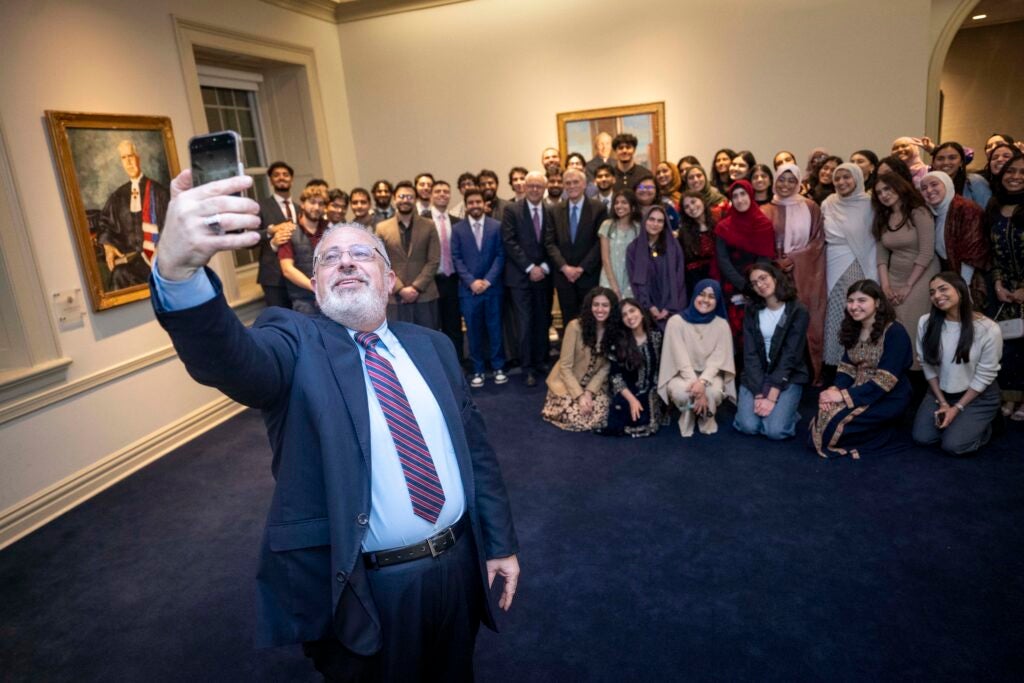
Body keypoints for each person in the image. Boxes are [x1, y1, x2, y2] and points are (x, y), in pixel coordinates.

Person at [149, 171, 519, 681]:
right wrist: (178, 271)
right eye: (328, 258)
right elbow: (228, 360)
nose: (344, 261)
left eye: (362, 253)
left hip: (458, 566)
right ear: (317, 283)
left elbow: (476, 454)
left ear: (390, 280)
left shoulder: (432, 347)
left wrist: (499, 543)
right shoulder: (293, 342)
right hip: (367, 590)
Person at [809, 279, 913, 459]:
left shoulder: (895, 332)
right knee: (823, 418)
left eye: (861, 300)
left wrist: (842, 396)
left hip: (888, 396)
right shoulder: (854, 328)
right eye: (850, 301)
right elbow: (847, 369)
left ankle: (886, 429)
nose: (854, 306)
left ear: (878, 302)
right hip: (858, 390)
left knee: (829, 430)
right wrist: (835, 389)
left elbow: (885, 380)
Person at [913, 272, 1003, 455]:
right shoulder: (925, 322)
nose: (937, 296)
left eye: (943, 289)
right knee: (923, 438)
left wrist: (958, 408)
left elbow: (985, 375)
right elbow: (927, 365)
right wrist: (943, 402)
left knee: (953, 445)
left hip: (978, 396)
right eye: (932, 292)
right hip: (941, 392)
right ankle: (963, 423)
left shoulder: (988, 329)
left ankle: (988, 424)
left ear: (961, 291)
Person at [762, 163, 827, 382]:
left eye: (791, 180)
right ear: (775, 181)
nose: (786, 185)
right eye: (782, 179)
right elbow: (760, 245)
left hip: (803, 274)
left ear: (798, 183)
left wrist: (793, 259)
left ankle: (804, 375)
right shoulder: (765, 210)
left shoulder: (810, 207)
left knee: (803, 323)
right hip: (774, 275)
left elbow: (818, 242)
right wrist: (776, 264)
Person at [733, 263, 810, 440]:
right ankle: (775, 410)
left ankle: (787, 412)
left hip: (787, 375)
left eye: (763, 278)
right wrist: (760, 394)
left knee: (775, 431)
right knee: (748, 426)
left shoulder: (798, 311)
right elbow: (750, 354)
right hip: (757, 375)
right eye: (754, 283)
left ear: (775, 278)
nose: (760, 285)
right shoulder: (752, 310)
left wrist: (772, 396)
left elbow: (791, 356)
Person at [872, 171, 939, 370]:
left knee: (911, 324)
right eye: (879, 192)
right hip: (894, 276)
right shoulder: (883, 217)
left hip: (921, 275)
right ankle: (893, 373)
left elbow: (926, 252)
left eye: (887, 189)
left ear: (899, 187)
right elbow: (882, 256)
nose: (884, 195)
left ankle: (916, 374)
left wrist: (908, 286)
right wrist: (885, 285)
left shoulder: (919, 212)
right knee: (891, 325)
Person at [657, 280, 736, 437]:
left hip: (710, 376)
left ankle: (706, 420)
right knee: (683, 394)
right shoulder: (676, 322)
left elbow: (718, 358)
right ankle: (688, 417)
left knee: (713, 393)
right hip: (682, 374)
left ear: (717, 300)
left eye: (711, 297)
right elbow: (680, 358)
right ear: (694, 296)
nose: (706, 300)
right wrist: (698, 389)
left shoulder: (721, 325)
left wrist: (702, 382)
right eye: (702, 294)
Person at [821, 163, 877, 367]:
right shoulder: (828, 203)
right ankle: (832, 363)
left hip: (858, 264)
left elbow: (873, 239)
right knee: (834, 315)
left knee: (856, 312)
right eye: (837, 178)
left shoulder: (870, 203)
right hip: (832, 263)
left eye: (847, 177)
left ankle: (857, 363)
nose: (841, 182)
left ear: (857, 178)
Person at [502, 170, 554, 387]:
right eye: (530, 185)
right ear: (524, 187)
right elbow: (509, 241)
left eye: (538, 186)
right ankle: (527, 367)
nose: (534, 190)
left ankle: (541, 361)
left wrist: (543, 266)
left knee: (543, 320)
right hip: (520, 278)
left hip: (544, 276)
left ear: (544, 189)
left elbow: (553, 240)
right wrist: (530, 267)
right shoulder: (512, 210)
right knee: (525, 324)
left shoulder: (551, 211)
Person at [451, 189, 507, 387]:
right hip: (469, 291)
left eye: (478, 202)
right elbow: (456, 258)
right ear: (466, 206)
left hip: (492, 289)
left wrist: (488, 281)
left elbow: (501, 255)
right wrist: (471, 282)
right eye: (471, 202)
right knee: (473, 332)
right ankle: (478, 370)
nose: (475, 205)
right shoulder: (458, 229)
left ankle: (498, 366)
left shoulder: (496, 226)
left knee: (494, 329)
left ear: (484, 204)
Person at [541, 287, 617, 431]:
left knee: (602, 417)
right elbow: (565, 367)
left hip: (593, 386)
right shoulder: (575, 326)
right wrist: (579, 395)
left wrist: (589, 392)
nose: (600, 309)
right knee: (578, 417)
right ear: (590, 306)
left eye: (605, 305)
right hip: (567, 383)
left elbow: (605, 367)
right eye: (596, 305)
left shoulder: (613, 330)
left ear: (612, 308)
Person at [714, 180, 776, 345]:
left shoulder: (764, 225)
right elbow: (723, 260)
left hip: (759, 286)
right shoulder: (723, 227)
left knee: (759, 331)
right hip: (732, 286)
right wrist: (743, 285)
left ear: (751, 195)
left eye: (743, 194)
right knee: (734, 333)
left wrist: (754, 285)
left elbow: (765, 259)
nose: (740, 199)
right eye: (735, 196)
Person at [987, 149, 1024, 420]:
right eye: (1011, 171)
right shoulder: (994, 205)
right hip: (1006, 287)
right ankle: (1010, 398)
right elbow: (993, 251)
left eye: (1022, 172)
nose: (1015, 176)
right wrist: (998, 282)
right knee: (1009, 344)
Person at [545, 168, 607, 326]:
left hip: (588, 275)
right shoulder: (555, 210)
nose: (571, 186)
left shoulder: (598, 208)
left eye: (576, 182)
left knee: (590, 320)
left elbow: (599, 242)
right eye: (568, 183)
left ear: (585, 184)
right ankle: (570, 351)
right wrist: (564, 267)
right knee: (569, 322)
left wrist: (581, 268)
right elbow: (550, 243)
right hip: (564, 277)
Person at [375, 181, 441, 327]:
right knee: (399, 342)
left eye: (410, 197)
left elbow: (434, 260)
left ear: (415, 200)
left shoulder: (429, 225)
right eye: (402, 196)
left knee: (428, 339)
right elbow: (380, 261)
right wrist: (400, 289)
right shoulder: (381, 228)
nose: (405, 200)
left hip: (425, 295)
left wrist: (416, 288)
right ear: (394, 198)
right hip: (395, 297)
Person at [919, 171, 989, 306]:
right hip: (948, 279)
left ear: (947, 185)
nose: (929, 190)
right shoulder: (929, 212)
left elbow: (972, 252)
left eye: (934, 185)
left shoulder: (966, 208)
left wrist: (964, 285)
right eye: (924, 188)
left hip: (970, 280)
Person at [598, 298, 664, 437]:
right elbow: (615, 376)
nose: (629, 317)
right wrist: (631, 399)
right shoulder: (619, 341)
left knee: (643, 420)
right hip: (627, 390)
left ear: (641, 311)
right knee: (617, 418)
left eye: (632, 311)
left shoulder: (657, 336)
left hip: (653, 389)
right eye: (624, 315)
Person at [626, 204, 686, 330]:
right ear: (645, 221)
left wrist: (669, 307)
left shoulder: (673, 245)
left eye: (660, 221)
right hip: (645, 307)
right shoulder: (633, 248)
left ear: (665, 224)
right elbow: (635, 281)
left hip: (672, 305)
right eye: (651, 219)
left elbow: (679, 277)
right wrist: (649, 306)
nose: (655, 224)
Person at [425, 180, 464, 361]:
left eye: (446, 192)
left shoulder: (457, 222)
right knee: (433, 326)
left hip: (453, 279)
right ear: (431, 195)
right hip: (430, 281)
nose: (442, 194)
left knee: (454, 325)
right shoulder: (422, 220)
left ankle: (457, 363)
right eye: (438, 191)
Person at [254, 161, 298, 308]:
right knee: (280, 321)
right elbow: (249, 240)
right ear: (271, 180)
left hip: (298, 274)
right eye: (276, 175)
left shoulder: (301, 208)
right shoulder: (260, 207)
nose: (281, 178)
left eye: (285, 175)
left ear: (291, 179)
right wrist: (270, 233)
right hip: (273, 278)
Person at [278, 186, 328, 315]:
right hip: (304, 302)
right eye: (312, 202)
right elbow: (287, 270)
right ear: (303, 204)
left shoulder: (330, 231)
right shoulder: (288, 232)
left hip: (331, 299)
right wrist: (315, 287)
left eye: (321, 203)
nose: (316, 207)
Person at [598, 189, 641, 299]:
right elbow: (605, 258)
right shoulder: (607, 225)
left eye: (624, 202)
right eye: (616, 203)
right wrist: (614, 286)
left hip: (631, 279)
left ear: (633, 206)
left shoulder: (638, 228)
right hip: (609, 277)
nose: (619, 206)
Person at [678, 190, 720, 295]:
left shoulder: (717, 224)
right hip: (696, 282)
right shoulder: (684, 233)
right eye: (686, 207)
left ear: (702, 201)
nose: (691, 208)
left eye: (693, 202)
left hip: (719, 278)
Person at [930, 141, 992, 208]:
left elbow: (988, 213)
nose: (946, 162)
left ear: (961, 162)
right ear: (933, 163)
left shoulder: (974, 182)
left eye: (952, 158)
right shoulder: (928, 186)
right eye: (940, 159)